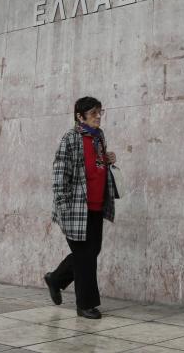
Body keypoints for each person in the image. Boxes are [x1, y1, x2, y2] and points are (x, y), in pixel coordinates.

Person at [44, 96, 118, 319]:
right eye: (93, 113)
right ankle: (85, 304)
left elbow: (95, 165)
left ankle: (56, 279)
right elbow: (59, 175)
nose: (98, 116)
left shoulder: (98, 137)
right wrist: (64, 207)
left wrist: (107, 160)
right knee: (86, 256)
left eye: (100, 112)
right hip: (75, 209)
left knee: (90, 252)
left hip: (96, 205)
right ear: (79, 116)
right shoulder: (70, 139)